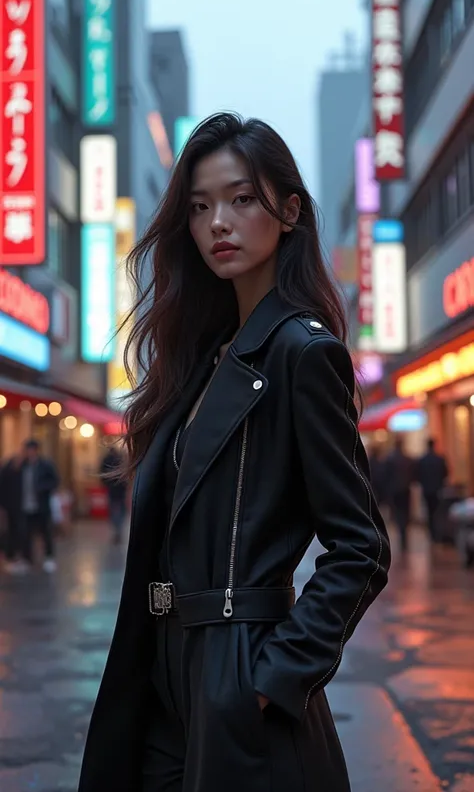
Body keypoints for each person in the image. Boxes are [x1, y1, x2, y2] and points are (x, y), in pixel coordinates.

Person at [78, 113, 390, 792]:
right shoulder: (200, 361)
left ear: (288, 210)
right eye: (199, 206)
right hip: (162, 669)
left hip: (239, 670)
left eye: (241, 199)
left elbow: (360, 547)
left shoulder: (302, 354)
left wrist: (275, 678)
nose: (218, 221)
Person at [21, 439, 59, 573]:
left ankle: (49, 557)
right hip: (26, 506)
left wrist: (42, 488)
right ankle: (27, 559)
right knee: (26, 533)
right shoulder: (22, 466)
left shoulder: (45, 465)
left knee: (45, 532)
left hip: (41, 505)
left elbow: (54, 481)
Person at [385, 438, 414, 552]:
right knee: (405, 512)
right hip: (405, 489)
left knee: (397, 513)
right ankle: (404, 534)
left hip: (394, 490)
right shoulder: (407, 459)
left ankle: (401, 531)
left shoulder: (390, 459)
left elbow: (386, 476)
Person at [0, 452, 27, 574]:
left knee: (16, 531)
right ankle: (10, 557)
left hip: (17, 508)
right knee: (10, 532)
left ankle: (15, 557)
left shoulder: (20, 473)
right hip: (9, 508)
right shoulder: (7, 473)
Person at [416, 438, 448, 542]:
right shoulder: (440, 459)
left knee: (429, 511)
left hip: (426, 489)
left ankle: (431, 533)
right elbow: (445, 473)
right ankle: (437, 533)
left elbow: (418, 475)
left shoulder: (422, 460)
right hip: (438, 489)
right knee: (437, 511)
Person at [100, 444, 128, 545]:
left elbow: (102, 473)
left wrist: (105, 484)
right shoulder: (120, 459)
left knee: (113, 507)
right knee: (121, 507)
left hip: (111, 488)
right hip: (121, 489)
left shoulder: (106, 459)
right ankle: (118, 527)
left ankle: (116, 527)